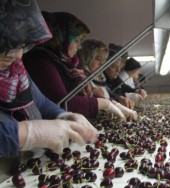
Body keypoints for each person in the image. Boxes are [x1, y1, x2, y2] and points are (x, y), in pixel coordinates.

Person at [0, 0, 97, 158]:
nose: (18, 55)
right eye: (9, 45)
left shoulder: (15, 71)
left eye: (23, 46)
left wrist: (63, 116)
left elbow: (41, 102)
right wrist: (28, 133)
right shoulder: (40, 61)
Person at [23, 11, 127, 121]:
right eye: (76, 40)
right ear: (61, 37)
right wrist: (104, 103)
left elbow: (80, 96)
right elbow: (65, 102)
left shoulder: (64, 64)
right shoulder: (41, 62)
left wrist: (112, 102)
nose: (80, 46)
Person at [77, 39, 137, 120]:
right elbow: (88, 100)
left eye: (103, 60)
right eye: (98, 58)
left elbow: (107, 91)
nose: (102, 64)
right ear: (87, 56)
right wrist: (112, 103)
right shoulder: (81, 76)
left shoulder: (99, 75)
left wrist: (119, 99)